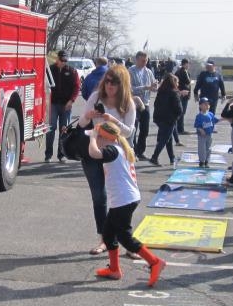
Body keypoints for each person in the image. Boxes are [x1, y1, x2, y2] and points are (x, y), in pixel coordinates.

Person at [87, 121, 166, 287]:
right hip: (125, 199)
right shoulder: (121, 148)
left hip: (124, 200)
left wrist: (93, 138)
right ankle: (114, 270)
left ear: (104, 138)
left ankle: (155, 262)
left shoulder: (112, 150)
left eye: (98, 137)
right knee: (108, 234)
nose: (96, 140)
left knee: (124, 237)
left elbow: (93, 153)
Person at [76, 65, 136, 256]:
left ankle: (128, 242)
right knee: (99, 197)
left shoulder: (128, 103)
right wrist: (88, 116)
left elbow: (129, 131)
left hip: (118, 155)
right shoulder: (95, 97)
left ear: (122, 84)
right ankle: (104, 239)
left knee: (124, 198)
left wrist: (113, 120)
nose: (110, 85)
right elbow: (81, 124)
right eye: (107, 81)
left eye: (115, 82)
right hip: (94, 152)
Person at [45, 51, 80, 163]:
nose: (63, 62)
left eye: (65, 60)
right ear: (57, 59)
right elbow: (45, 85)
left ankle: (61, 154)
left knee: (64, 129)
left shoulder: (72, 71)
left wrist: (71, 101)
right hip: (53, 104)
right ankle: (48, 154)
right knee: (51, 128)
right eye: (62, 60)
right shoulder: (49, 70)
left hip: (66, 105)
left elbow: (77, 87)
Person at [148, 73, 183, 166]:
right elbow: (179, 109)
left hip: (159, 119)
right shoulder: (173, 93)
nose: (178, 84)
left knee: (168, 139)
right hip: (169, 119)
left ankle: (172, 158)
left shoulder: (161, 91)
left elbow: (156, 104)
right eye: (177, 82)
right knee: (164, 139)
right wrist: (176, 117)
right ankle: (154, 157)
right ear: (173, 83)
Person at [129, 51, 158, 157]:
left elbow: (154, 87)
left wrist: (155, 86)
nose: (144, 63)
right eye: (142, 60)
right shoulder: (130, 71)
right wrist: (145, 87)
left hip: (145, 104)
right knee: (133, 128)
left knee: (145, 129)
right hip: (134, 104)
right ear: (136, 60)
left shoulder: (148, 71)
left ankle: (141, 151)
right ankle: (133, 150)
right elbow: (130, 89)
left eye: (146, 60)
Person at [194, 97, 219, 168]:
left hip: (209, 134)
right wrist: (201, 130)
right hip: (202, 135)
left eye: (208, 104)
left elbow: (215, 120)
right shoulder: (199, 116)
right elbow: (197, 125)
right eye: (205, 104)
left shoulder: (210, 114)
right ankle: (202, 161)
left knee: (208, 148)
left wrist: (225, 118)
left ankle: (207, 161)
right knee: (202, 148)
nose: (207, 105)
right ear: (200, 106)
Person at [174, 58, 192, 139]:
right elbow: (188, 81)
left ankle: (178, 128)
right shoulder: (183, 71)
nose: (188, 65)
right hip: (182, 94)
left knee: (181, 112)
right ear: (185, 64)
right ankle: (180, 129)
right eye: (188, 64)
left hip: (182, 93)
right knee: (181, 112)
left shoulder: (179, 71)